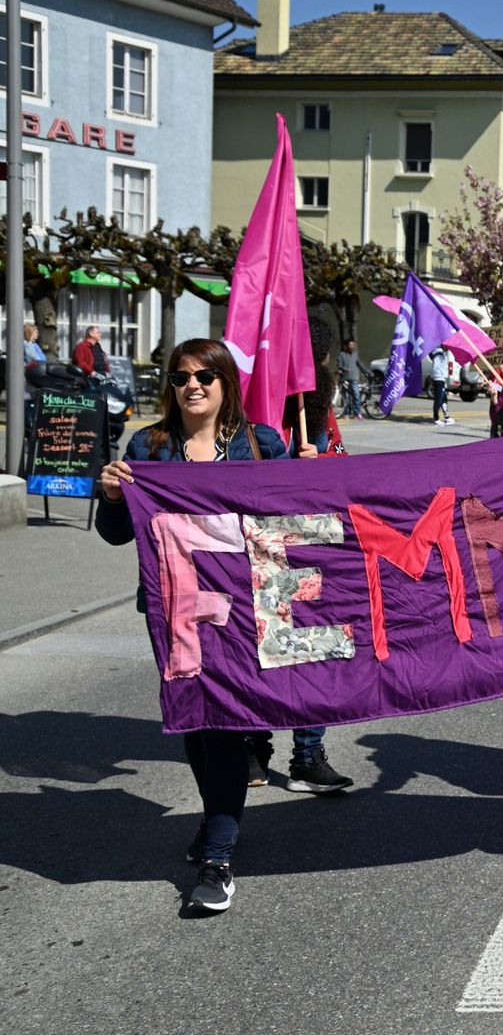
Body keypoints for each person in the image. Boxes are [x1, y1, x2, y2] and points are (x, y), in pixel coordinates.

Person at [96, 339, 316, 913]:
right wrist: (114, 498)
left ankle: (219, 853)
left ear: (225, 382)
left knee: (224, 721)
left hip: (246, 606)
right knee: (197, 722)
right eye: (180, 377)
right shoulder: (149, 445)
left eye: (204, 376)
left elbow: (294, 517)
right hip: (178, 610)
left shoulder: (261, 443)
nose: (192, 385)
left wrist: (309, 478)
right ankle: (215, 824)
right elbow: (117, 534)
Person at [259, 318, 354, 794]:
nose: (322, 368)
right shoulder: (256, 412)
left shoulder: (319, 412)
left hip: (316, 551)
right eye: (317, 359)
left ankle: (307, 755)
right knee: (257, 651)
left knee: (316, 652)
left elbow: (341, 470)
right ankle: (253, 752)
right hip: (264, 553)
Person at [336, 338, 363, 419]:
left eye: (353, 345)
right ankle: (346, 413)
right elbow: (339, 365)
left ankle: (357, 413)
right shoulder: (342, 355)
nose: (352, 346)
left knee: (357, 395)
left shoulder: (355, 355)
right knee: (346, 398)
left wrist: (366, 372)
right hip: (345, 379)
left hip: (354, 379)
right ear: (346, 346)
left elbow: (360, 365)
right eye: (350, 345)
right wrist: (344, 369)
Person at [428, 345, 454, 426]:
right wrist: (434, 376)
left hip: (442, 378)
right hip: (438, 378)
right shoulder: (438, 353)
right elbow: (436, 367)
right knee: (438, 399)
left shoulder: (443, 353)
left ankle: (447, 417)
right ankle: (436, 418)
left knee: (443, 398)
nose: (449, 348)